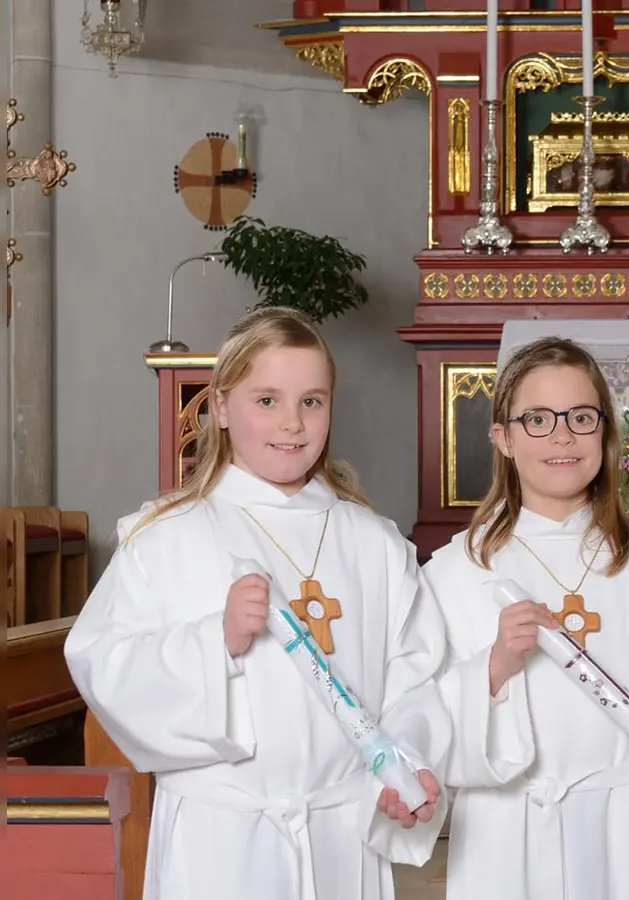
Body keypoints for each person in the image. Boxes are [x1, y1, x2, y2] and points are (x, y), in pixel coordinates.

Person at [65, 307, 450, 900]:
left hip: (338, 833)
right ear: (220, 407)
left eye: (312, 401)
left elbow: (419, 676)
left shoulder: (373, 543)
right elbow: (103, 661)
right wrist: (211, 642)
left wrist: (406, 763)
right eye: (266, 400)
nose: (292, 424)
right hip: (221, 841)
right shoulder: (167, 535)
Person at [426, 337, 629, 900]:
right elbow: (420, 714)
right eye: (537, 419)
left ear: (604, 431)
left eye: (580, 416)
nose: (562, 436)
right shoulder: (458, 570)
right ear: (502, 437)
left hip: (615, 828)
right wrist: (494, 667)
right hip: (504, 833)